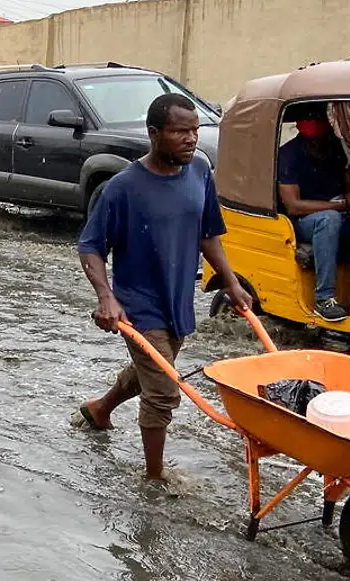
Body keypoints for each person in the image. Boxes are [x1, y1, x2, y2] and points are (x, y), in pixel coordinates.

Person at [76, 92, 252, 481]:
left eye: (195, 130)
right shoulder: (123, 188)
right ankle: (153, 479)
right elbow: (90, 245)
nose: (191, 138)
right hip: (138, 306)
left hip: (178, 301)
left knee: (154, 369)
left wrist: (231, 282)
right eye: (180, 132)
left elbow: (208, 235)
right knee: (164, 391)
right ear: (155, 134)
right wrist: (106, 298)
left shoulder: (200, 172)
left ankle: (100, 410)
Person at [277, 111, 350, 322]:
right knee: (328, 219)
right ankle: (325, 298)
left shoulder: (337, 150)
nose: (317, 143)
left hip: (339, 211)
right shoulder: (289, 155)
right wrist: (342, 204)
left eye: (321, 138)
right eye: (312, 139)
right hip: (304, 221)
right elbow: (293, 206)